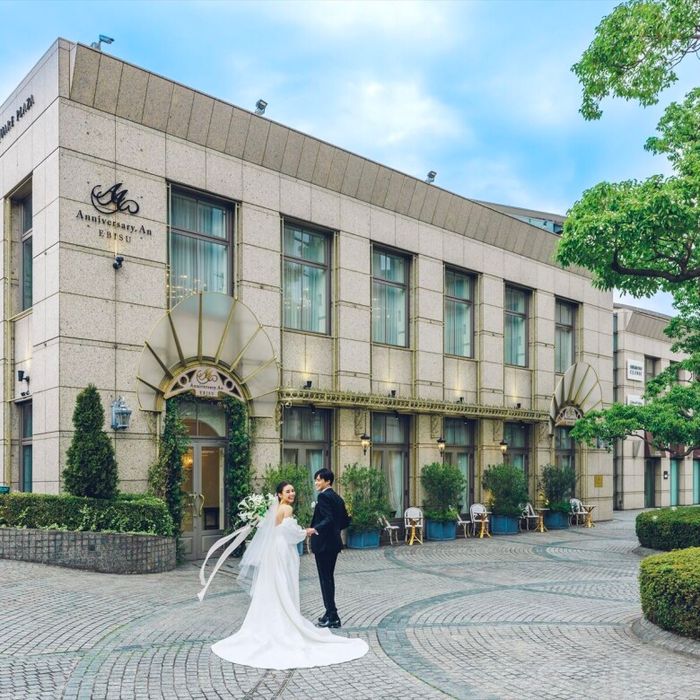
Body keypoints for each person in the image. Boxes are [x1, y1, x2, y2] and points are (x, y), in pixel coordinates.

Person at [202, 481, 368, 670]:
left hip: (276, 549)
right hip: (283, 550)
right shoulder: (287, 509)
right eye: (288, 491)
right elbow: (291, 533)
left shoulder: (277, 509)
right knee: (284, 583)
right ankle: (285, 620)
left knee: (276, 584)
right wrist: (305, 531)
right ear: (280, 494)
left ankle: (271, 621)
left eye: (293, 490)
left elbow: (276, 529)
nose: (292, 493)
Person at [308, 468, 350, 629]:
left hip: (324, 545)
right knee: (328, 579)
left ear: (327, 481)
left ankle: (333, 616)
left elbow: (328, 518)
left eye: (319, 480)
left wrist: (315, 529)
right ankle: (329, 613)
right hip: (333, 544)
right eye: (316, 480)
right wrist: (335, 531)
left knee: (325, 580)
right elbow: (345, 521)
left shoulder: (323, 496)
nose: (316, 483)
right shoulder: (337, 497)